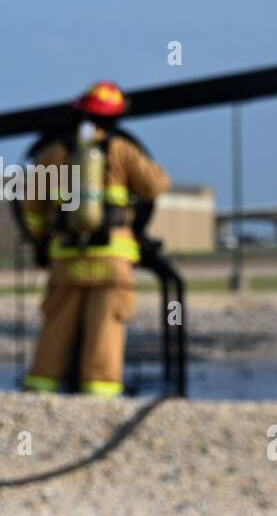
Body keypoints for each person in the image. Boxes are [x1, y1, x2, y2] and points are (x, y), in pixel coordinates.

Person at [22, 81, 169, 397]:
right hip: (111, 258)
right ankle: (99, 396)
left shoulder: (54, 153)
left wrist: (41, 241)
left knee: (56, 327)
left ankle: (41, 388)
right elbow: (155, 185)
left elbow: (31, 206)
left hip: (65, 257)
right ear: (116, 117)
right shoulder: (121, 149)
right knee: (106, 330)